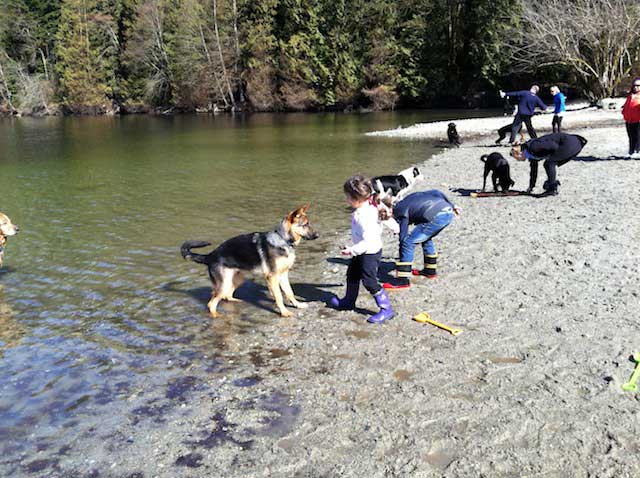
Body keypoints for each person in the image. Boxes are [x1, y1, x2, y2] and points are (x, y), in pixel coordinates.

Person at [329, 175, 397, 324]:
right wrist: (394, 227)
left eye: (348, 197)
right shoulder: (369, 205)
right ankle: (348, 301)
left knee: (369, 281)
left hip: (370, 252)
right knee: (352, 273)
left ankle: (387, 309)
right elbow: (385, 218)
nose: (346, 200)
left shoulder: (365, 216)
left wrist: (352, 250)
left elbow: (369, 240)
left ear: (357, 198)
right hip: (362, 249)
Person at [382, 190, 460, 290]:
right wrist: (452, 205)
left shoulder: (399, 210)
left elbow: (403, 236)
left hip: (437, 217)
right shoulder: (409, 197)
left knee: (408, 242)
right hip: (447, 211)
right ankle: (430, 271)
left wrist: (402, 250)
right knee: (426, 237)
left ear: (389, 209)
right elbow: (437, 192)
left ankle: (402, 280)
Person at [510, 133, 587, 196]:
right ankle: (552, 184)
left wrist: (551, 156)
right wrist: (531, 187)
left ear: (519, 153)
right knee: (550, 163)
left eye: (516, 158)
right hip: (575, 143)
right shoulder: (530, 153)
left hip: (572, 143)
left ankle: (552, 188)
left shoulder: (534, 147)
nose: (518, 160)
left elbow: (553, 145)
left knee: (549, 163)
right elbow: (533, 171)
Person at [621, 77, 640, 158]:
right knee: (631, 137)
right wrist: (624, 111)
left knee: (638, 137)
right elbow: (626, 106)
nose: (636, 87)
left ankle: (637, 151)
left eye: (638, 85)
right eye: (635, 85)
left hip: (638, 120)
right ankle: (631, 151)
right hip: (629, 120)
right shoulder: (630, 95)